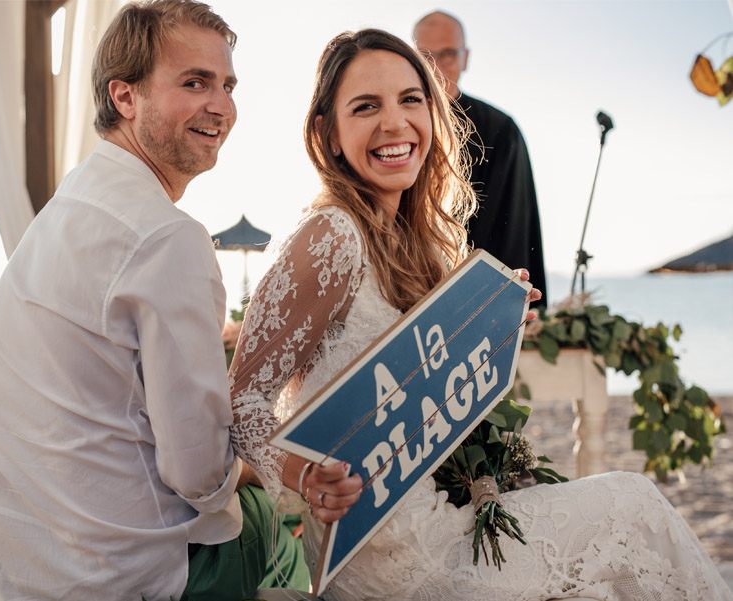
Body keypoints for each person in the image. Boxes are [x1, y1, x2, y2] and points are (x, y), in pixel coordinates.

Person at [228, 28, 732, 600]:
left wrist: (490, 326)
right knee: (633, 505)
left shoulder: (420, 241)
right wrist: (306, 477)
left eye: (410, 99)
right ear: (329, 133)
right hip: (390, 556)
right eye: (366, 106)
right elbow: (240, 399)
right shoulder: (331, 235)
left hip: (443, 523)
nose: (394, 123)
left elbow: (429, 400)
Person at [0, 2, 354, 599]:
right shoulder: (166, 237)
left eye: (227, 85)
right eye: (194, 82)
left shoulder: (68, 207)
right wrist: (266, 473)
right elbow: (197, 471)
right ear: (125, 97)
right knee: (270, 518)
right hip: (122, 573)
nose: (220, 106)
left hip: (17, 559)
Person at [414, 10, 548, 308]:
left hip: (478, 298)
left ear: (465, 58)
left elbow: (516, 225)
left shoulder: (501, 131)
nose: (436, 67)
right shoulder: (399, 128)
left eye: (448, 55)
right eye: (425, 56)